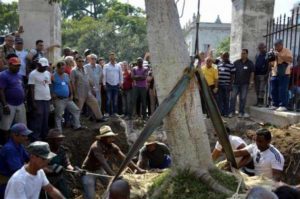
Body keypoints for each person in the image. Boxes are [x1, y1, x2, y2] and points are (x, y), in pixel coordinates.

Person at [81, 125, 145, 199]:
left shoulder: (111, 146)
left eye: (112, 136)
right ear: (103, 138)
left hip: (99, 169)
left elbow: (125, 159)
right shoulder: (96, 147)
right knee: (90, 196)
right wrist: (114, 176)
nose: (112, 139)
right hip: (88, 172)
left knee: (113, 186)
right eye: (109, 137)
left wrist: (138, 169)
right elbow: (103, 163)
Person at [0, 123, 32, 198]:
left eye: (26, 135)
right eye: (23, 136)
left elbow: (28, 158)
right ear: (15, 135)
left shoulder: (19, 145)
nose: (26, 138)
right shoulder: (9, 149)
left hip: (14, 179)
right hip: (6, 183)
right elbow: (17, 169)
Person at [71, 55, 106, 122]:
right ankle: (76, 124)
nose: (81, 62)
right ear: (76, 62)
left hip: (88, 92)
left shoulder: (84, 69)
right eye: (79, 61)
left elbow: (88, 79)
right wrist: (74, 94)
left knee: (95, 103)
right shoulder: (74, 71)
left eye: (82, 61)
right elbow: (72, 83)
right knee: (78, 109)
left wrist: (93, 87)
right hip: (80, 93)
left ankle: (99, 118)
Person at [0, 57, 27, 145]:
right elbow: (1, 90)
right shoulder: (3, 75)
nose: (18, 68)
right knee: (5, 127)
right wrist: (5, 105)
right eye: (16, 66)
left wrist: (24, 101)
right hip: (9, 104)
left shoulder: (19, 75)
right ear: (10, 65)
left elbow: (21, 88)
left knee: (22, 127)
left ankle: (19, 144)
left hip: (20, 104)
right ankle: (5, 145)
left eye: (19, 66)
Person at [52, 61, 83, 132]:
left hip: (67, 99)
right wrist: (53, 94)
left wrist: (71, 94)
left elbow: (69, 85)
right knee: (58, 115)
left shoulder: (66, 75)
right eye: (62, 68)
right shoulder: (53, 76)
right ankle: (59, 131)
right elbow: (51, 86)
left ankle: (77, 126)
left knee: (76, 110)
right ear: (58, 68)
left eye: (64, 68)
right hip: (59, 99)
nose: (63, 70)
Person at [44, 129, 74, 198]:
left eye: (61, 140)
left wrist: (74, 170)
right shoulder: (44, 151)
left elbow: (67, 164)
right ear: (51, 141)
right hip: (47, 180)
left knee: (65, 195)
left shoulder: (62, 150)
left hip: (59, 178)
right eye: (58, 140)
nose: (60, 142)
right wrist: (52, 169)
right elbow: (39, 167)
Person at [28, 57, 52, 141]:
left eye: (46, 66)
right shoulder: (33, 74)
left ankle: (44, 136)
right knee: (37, 118)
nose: (44, 67)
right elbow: (31, 88)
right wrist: (33, 101)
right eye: (43, 66)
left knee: (45, 118)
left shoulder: (47, 73)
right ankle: (35, 137)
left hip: (47, 99)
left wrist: (50, 98)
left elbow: (48, 85)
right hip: (38, 100)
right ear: (38, 65)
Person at [229, 49, 255, 118]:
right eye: (241, 53)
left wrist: (251, 82)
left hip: (245, 84)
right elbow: (233, 73)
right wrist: (231, 82)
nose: (242, 55)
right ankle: (232, 112)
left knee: (243, 98)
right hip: (236, 84)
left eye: (244, 53)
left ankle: (241, 112)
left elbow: (252, 73)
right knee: (233, 97)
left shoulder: (250, 63)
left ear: (247, 54)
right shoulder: (236, 62)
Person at [270, 39, 293, 111]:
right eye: (275, 45)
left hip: (284, 73)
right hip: (275, 73)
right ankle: (275, 104)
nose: (275, 47)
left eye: (277, 45)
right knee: (273, 89)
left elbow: (290, 59)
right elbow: (271, 63)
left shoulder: (287, 51)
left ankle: (283, 105)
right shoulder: (274, 52)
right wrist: (270, 56)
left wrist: (279, 55)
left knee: (283, 89)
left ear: (281, 45)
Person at [217, 52, 235, 117]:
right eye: (224, 56)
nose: (225, 57)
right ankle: (220, 113)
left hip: (227, 85)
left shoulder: (231, 65)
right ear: (222, 57)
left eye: (226, 56)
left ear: (228, 57)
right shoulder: (219, 64)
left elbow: (233, 75)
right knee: (220, 99)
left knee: (226, 99)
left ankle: (226, 113)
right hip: (219, 85)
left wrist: (231, 85)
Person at [254, 43, 269, 107]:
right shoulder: (257, 55)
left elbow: (270, 65)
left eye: (262, 48)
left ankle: (261, 102)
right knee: (257, 89)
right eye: (259, 48)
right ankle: (258, 102)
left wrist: (267, 73)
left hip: (264, 74)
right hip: (257, 74)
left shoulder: (267, 55)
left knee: (261, 89)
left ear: (265, 47)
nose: (260, 49)